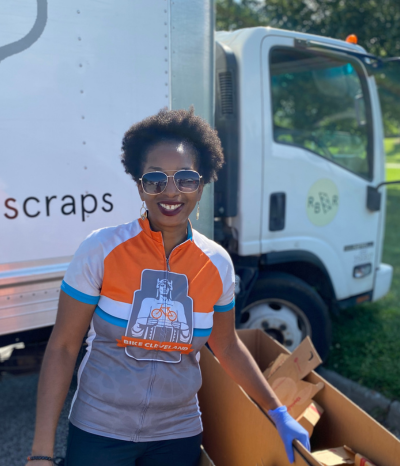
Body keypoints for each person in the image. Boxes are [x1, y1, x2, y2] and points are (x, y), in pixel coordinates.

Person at [26, 108, 309, 466]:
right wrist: (41, 452)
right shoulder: (100, 249)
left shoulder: (217, 263)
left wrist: (277, 411)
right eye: (155, 179)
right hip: (100, 430)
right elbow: (63, 348)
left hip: (177, 434)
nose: (171, 192)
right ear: (139, 184)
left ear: (202, 183)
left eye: (186, 178)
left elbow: (227, 345)